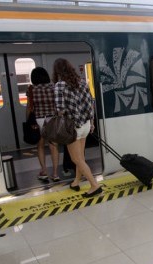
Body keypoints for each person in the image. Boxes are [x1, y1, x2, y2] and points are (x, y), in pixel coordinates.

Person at [52, 58, 101, 198]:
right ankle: (76, 182)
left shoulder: (59, 86)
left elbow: (60, 110)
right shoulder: (82, 82)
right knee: (81, 157)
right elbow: (90, 103)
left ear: (57, 71)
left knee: (77, 159)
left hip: (71, 128)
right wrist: (91, 123)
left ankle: (94, 185)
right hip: (85, 125)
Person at [26, 67, 60, 182]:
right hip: (52, 119)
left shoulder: (31, 89)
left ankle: (44, 171)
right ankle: (55, 174)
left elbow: (29, 108)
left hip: (38, 120)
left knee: (40, 146)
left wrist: (28, 121)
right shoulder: (53, 87)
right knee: (53, 146)